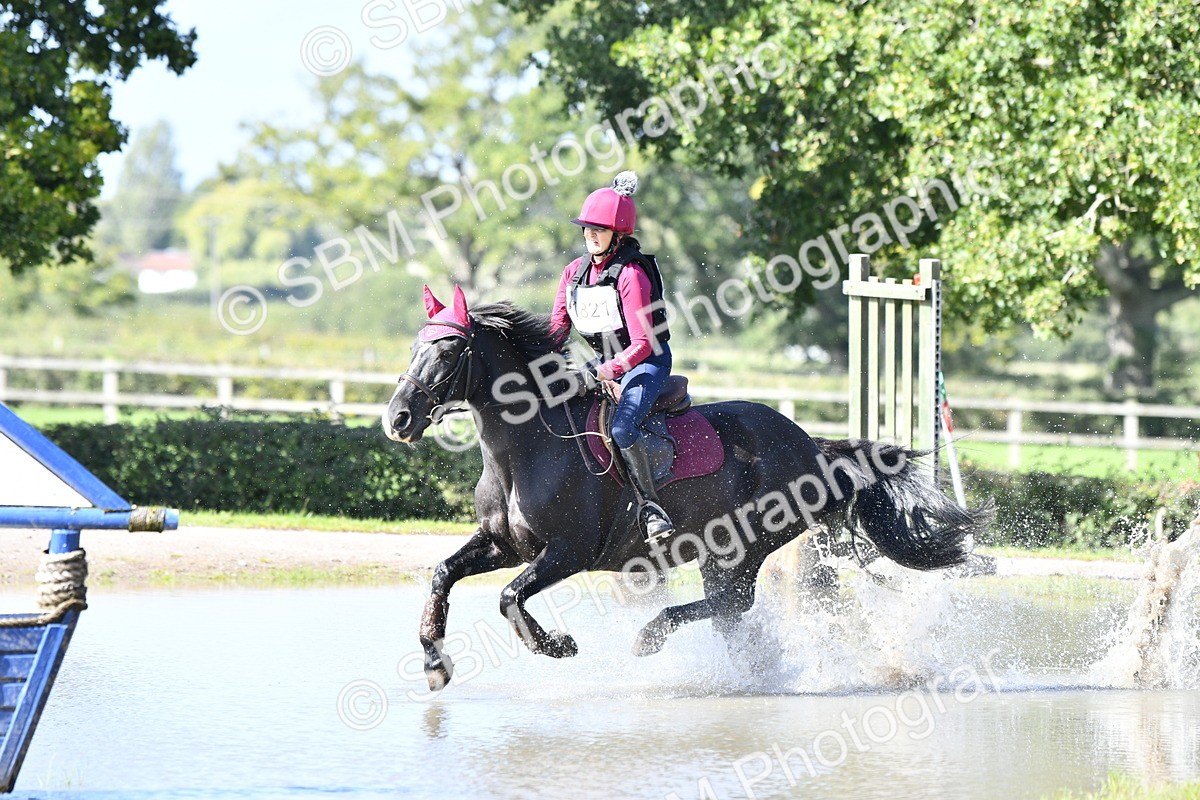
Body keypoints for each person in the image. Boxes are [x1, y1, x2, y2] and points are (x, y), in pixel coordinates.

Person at [550, 171, 675, 543]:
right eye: (587, 228)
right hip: (603, 366)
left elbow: (642, 342)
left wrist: (606, 371)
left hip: (646, 362)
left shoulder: (632, 275)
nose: (590, 234)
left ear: (617, 235)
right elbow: (556, 329)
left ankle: (652, 508)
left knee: (621, 429)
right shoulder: (574, 272)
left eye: (599, 229)